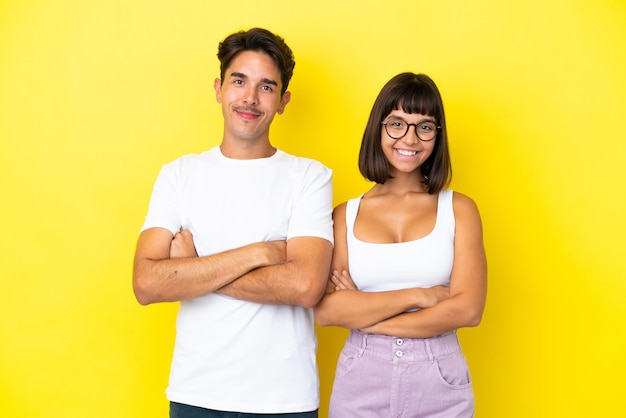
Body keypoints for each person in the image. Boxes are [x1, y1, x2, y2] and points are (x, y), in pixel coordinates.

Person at [132, 27, 333, 418]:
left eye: (266, 87)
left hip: (284, 399)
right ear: (219, 88)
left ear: (283, 101)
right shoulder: (179, 174)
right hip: (197, 395)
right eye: (239, 81)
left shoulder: (310, 177)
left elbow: (306, 286)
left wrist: (192, 268)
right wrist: (261, 252)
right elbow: (146, 283)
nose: (250, 98)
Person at [314, 72, 487, 417]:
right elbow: (328, 312)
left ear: (437, 136)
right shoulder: (344, 216)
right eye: (397, 123)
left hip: (438, 375)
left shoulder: (459, 210)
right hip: (362, 376)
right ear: (378, 128)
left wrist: (365, 314)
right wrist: (419, 296)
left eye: (424, 126)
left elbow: (467, 311)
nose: (409, 138)